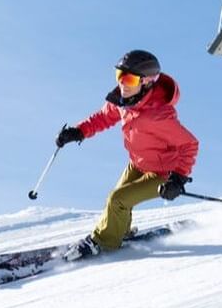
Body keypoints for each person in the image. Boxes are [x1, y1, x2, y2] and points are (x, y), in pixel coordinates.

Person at [56, 49, 199, 261]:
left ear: (147, 82)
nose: (123, 84)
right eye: (119, 76)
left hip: (163, 173)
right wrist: (79, 131)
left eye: (129, 79)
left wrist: (178, 178)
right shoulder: (125, 101)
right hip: (138, 164)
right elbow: (103, 117)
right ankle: (121, 232)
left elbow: (190, 144)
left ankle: (102, 243)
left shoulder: (159, 115)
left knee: (117, 200)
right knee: (116, 197)